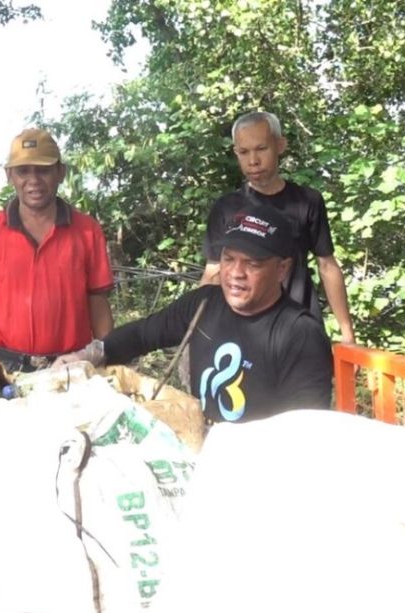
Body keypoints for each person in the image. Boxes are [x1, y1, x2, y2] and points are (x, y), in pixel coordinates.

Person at [57, 205, 333, 423]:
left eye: (253, 263)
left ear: (282, 269)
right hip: (197, 447)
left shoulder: (300, 334)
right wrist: (86, 356)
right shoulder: (205, 303)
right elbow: (143, 334)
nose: (236, 273)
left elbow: (303, 432)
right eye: (228, 259)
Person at [0, 128, 115, 409]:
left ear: (61, 173)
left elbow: (98, 304)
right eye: (23, 171)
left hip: (71, 369)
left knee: (75, 445)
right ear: (10, 175)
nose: (33, 181)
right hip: (6, 371)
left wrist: (110, 362)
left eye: (43, 170)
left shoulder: (87, 230)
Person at [201, 111, 356, 344]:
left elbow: (327, 265)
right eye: (244, 152)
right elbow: (213, 271)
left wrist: (348, 334)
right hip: (243, 333)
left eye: (261, 149)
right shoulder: (226, 208)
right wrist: (197, 328)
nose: (253, 160)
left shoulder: (307, 201)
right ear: (236, 153)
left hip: (299, 328)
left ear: (280, 145)